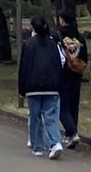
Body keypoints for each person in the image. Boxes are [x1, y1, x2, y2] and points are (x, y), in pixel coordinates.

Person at [19, 16, 64, 158]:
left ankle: (37, 146)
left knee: (35, 117)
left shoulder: (28, 44)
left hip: (33, 87)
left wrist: (22, 88)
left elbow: (24, 67)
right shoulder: (52, 44)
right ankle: (55, 142)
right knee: (51, 116)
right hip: (51, 85)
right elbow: (58, 65)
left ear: (33, 28)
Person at [58, 30, 89, 147]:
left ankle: (72, 132)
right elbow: (84, 57)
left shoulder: (59, 36)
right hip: (76, 75)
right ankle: (71, 133)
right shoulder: (80, 38)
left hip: (63, 75)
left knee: (62, 107)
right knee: (74, 106)